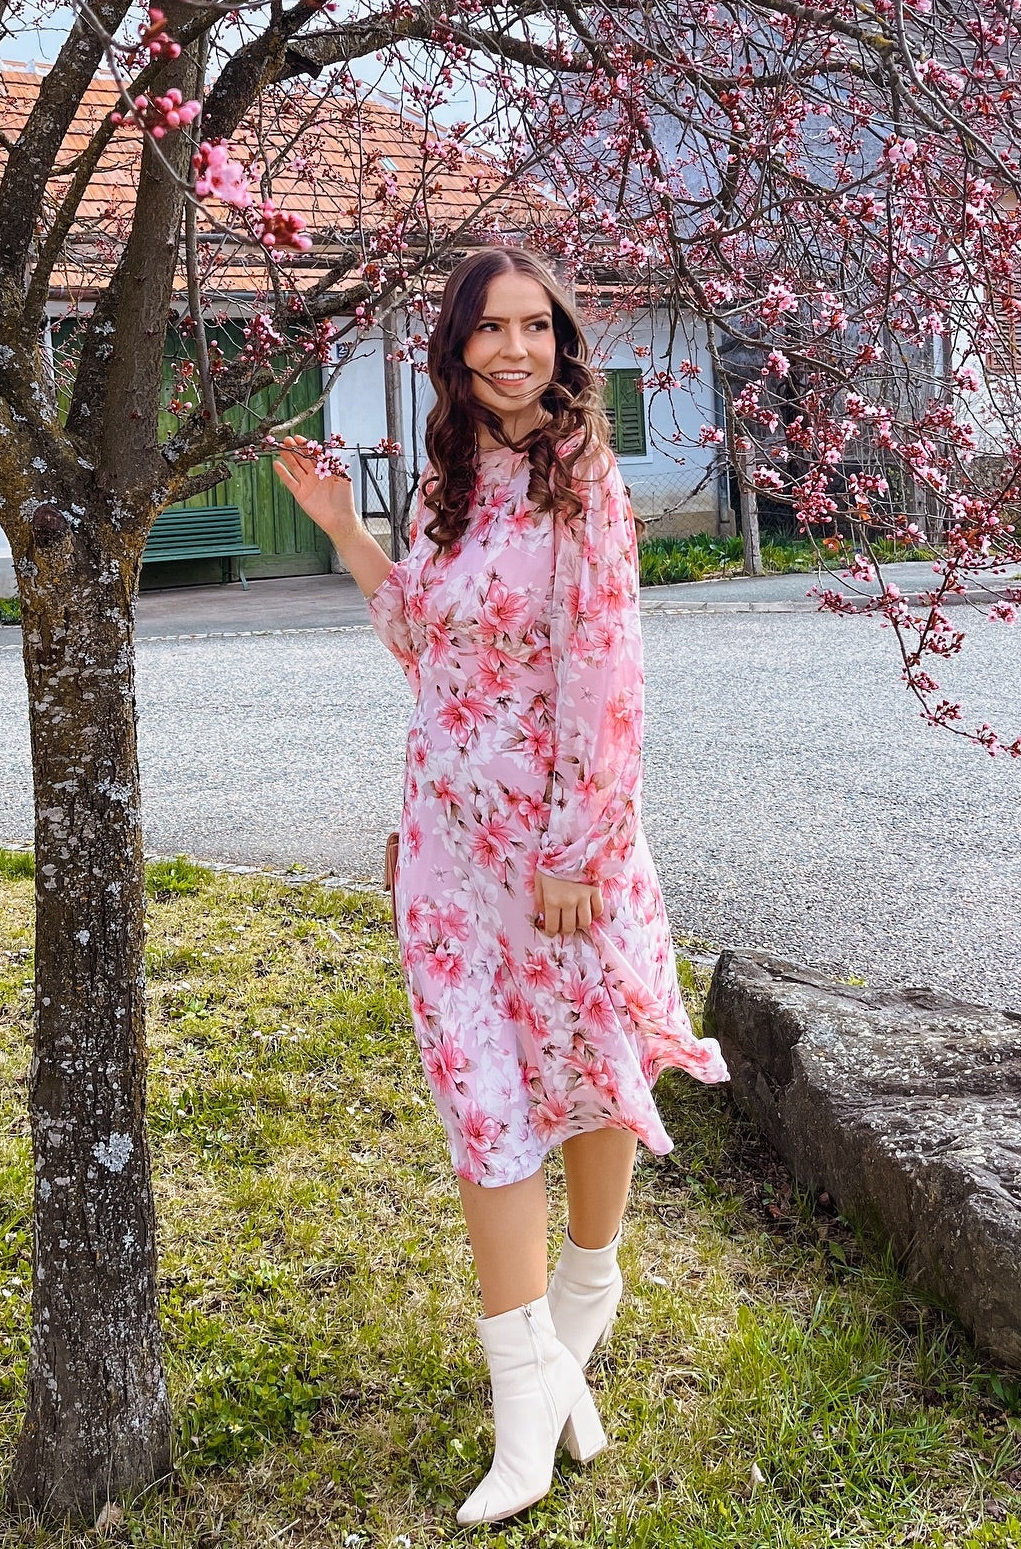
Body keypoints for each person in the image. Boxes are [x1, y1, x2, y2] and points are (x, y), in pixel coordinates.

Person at [274, 247, 728, 1526]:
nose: (515, 350)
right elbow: (428, 644)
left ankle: (582, 1304)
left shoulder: (583, 475)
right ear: (457, 345)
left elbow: (607, 669)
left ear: (562, 343)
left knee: (583, 1067)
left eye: (537, 327)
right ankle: (527, 1405)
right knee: (486, 1104)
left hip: (556, 851)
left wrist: (580, 845)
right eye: (492, 328)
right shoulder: (447, 482)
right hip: (446, 855)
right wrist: (344, 532)